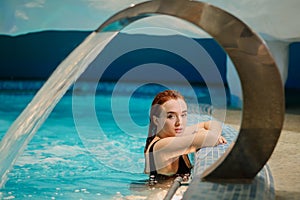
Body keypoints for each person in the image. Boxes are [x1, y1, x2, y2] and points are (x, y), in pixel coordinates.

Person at [144, 90, 227, 184]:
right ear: (156, 120)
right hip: (158, 196)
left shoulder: (173, 134)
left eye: (183, 115)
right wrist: (207, 134)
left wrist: (209, 134)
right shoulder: (162, 146)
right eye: (171, 116)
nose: (179, 122)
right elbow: (210, 138)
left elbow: (213, 124)